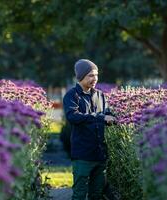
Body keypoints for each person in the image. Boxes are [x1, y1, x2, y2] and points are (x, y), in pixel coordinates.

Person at [63, 59, 116, 200]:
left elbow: (107, 114)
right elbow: (73, 117)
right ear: (80, 76)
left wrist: (113, 118)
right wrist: (100, 117)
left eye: (96, 75)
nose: (95, 79)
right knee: (80, 194)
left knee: (97, 195)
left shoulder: (100, 95)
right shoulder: (72, 95)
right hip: (82, 155)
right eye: (90, 75)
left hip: (100, 155)